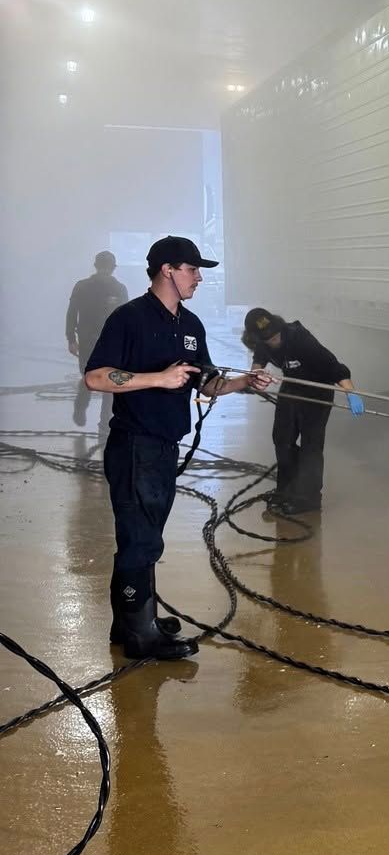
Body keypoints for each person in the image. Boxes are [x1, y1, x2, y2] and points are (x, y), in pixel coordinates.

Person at [82, 236, 270, 661]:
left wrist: (243, 382)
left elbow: (206, 382)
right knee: (140, 541)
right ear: (167, 269)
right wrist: (157, 379)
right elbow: (96, 377)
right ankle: (141, 634)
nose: (199, 277)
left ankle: (128, 621)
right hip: (134, 444)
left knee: (145, 538)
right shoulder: (128, 318)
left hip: (165, 446)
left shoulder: (190, 325)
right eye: (192, 269)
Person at [241, 307, 363, 519]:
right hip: (293, 385)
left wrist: (350, 392)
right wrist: (257, 370)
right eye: (268, 338)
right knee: (282, 439)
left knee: (311, 446)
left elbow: (333, 365)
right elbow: (260, 357)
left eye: (275, 335)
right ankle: (286, 490)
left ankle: (308, 498)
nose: (274, 340)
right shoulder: (263, 342)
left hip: (318, 389)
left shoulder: (300, 338)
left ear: (279, 326)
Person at [65, 250, 128, 428]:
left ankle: (83, 408)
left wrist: (71, 338)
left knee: (90, 376)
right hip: (110, 342)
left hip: (89, 340)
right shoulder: (119, 289)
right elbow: (126, 318)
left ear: (95, 266)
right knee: (109, 380)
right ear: (113, 268)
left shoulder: (81, 286)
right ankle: (104, 420)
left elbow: (71, 314)